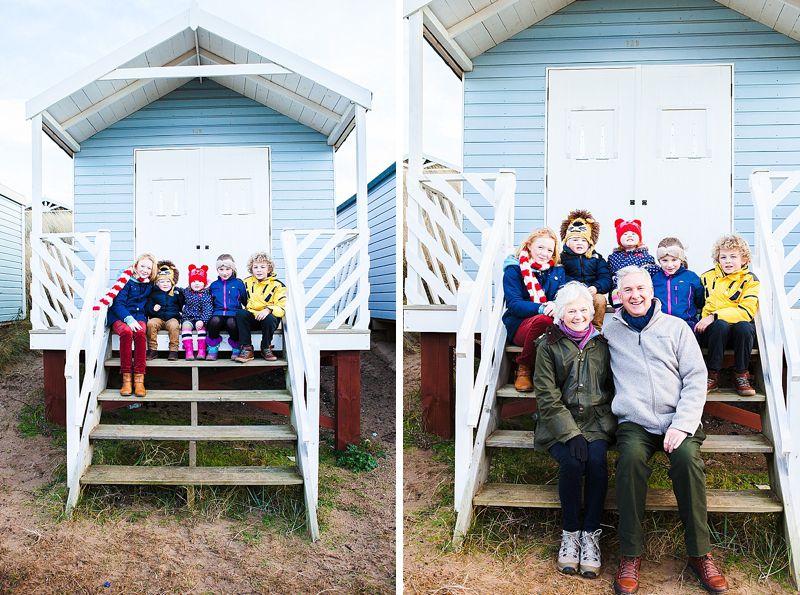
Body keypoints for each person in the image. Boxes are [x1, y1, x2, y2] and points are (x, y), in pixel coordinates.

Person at [604, 266, 727, 595]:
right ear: (618, 295)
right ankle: (630, 554)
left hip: (679, 419)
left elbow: (695, 378)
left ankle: (700, 553)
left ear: (651, 289)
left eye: (641, 288)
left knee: (687, 462)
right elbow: (572, 320)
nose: (636, 295)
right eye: (628, 290)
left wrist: (683, 423)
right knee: (629, 460)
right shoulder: (609, 328)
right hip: (635, 421)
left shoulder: (675, 328)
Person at [533, 282, 615, 579]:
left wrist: (597, 426)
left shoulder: (603, 343)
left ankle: (591, 534)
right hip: (557, 423)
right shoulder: (547, 345)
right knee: (571, 462)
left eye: (583, 310)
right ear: (561, 313)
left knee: (595, 461)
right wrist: (570, 433)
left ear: (592, 313)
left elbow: (610, 387)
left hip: (596, 422)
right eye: (571, 310)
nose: (578, 315)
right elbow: (545, 394)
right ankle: (570, 533)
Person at [501, 227, 567, 392]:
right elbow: (514, 304)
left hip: (552, 321)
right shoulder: (514, 269)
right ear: (529, 245)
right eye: (540, 247)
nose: (545, 253)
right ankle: (524, 368)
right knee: (544, 321)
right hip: (521, 325)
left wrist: (556, 304)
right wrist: (542, 308)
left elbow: (563, 295)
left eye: (549, 250)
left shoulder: (557, 271)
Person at [696, 234, 760, 397]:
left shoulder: (750, 280)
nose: (728, 261)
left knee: (744, 326)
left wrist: (714, 315)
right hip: (713, 333)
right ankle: (712, 374)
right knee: (720, 325)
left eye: (733, 256)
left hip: (737, 333)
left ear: (744, 259)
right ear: (718, 259)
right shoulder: (706, 277)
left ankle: (741, 374)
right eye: (723, 257)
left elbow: (746, 311)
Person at [106, 253, 156, 397]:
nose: (145, 270)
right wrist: (128, 319)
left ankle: (139, 379)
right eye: (142, 266)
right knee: (127, 332)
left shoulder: (149, 284)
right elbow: (117, 303)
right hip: (120, 315)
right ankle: (126, 379)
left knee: (140, 333)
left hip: (139, 315)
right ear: (136, 265)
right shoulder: (126, 280)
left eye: (148, 268)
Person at [558, 209, 612, 329]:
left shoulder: (596, 258)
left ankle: (595, 330)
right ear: (567, 242)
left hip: (591, 292)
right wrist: (576, 287)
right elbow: (561, 276)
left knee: (600, 300)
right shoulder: (562, 258)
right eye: (575, 240)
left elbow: (606, 278)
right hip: (571, 293)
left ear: (590, 243)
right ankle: (568, 329)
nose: (580, 243)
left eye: (584, 240)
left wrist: (596, 287)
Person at [235, 252, 287, 363]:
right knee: (240, 313)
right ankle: (247, 348)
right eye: (255, 267)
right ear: (251, 269)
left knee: (271, 318)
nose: (259, 270)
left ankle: (265, 347)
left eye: (262, 267)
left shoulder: (277, 285)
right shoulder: (246, 282)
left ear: (269, 269)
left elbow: (282, 305)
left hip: (267, 319)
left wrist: (268, 309)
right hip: (252, 318)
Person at [652, 237, 704, 329]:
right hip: (660, 327)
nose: (669, 265)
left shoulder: (691, 278)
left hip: (686, 326)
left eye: (674, 260)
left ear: (681, 259)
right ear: (659, 260)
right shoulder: (655, 279)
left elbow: (700, 301)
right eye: (665, 260)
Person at [607, 219, 659, 306]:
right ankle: (620, 312)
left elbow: (654, 268)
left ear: (639, 238)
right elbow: (609, 273)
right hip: (621, 287)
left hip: (639, 287)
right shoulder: (614, 257)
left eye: (633, 234)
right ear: (619, 239)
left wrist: (642, 270)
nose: (629, 236)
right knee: (615, 293)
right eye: (625, 234)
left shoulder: (645, 255)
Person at [207, 254, 247, 361]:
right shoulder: (214, 285)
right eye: (221, 269)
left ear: (232, 269)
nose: (224, 273)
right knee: (214, 321)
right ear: (217, 270)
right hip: (218, 314)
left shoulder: (238, 283)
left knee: (231, 323)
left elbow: (246, 300)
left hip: (233, 315)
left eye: (228, 269)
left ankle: (236, 347)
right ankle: (213, 347)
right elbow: (209, 302)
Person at [145, 260, 184, 361]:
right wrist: (153, 309)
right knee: (151, 324)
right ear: (157, 283)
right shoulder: (154, 293)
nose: (165, 284)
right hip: (158, 317)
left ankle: (173, 351)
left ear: (172, 282)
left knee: (174, 326)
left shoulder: (177, 292)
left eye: (168, 282)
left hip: (172, 318)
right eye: (162, 282)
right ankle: (152, 350)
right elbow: (147, 307)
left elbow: (184, 302)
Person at [181, 264, 214, 360]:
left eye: (199, 281)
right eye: (193, 281)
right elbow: (178, 291)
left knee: (202, 330)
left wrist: (203, 321)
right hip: (188, 318)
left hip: (200, 319)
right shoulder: (186, 291)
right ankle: (189, 351)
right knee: (186, 328)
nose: (196, 283)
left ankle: (202, 351)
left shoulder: (206, 294)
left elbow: (208, 310)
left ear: (204, 282)